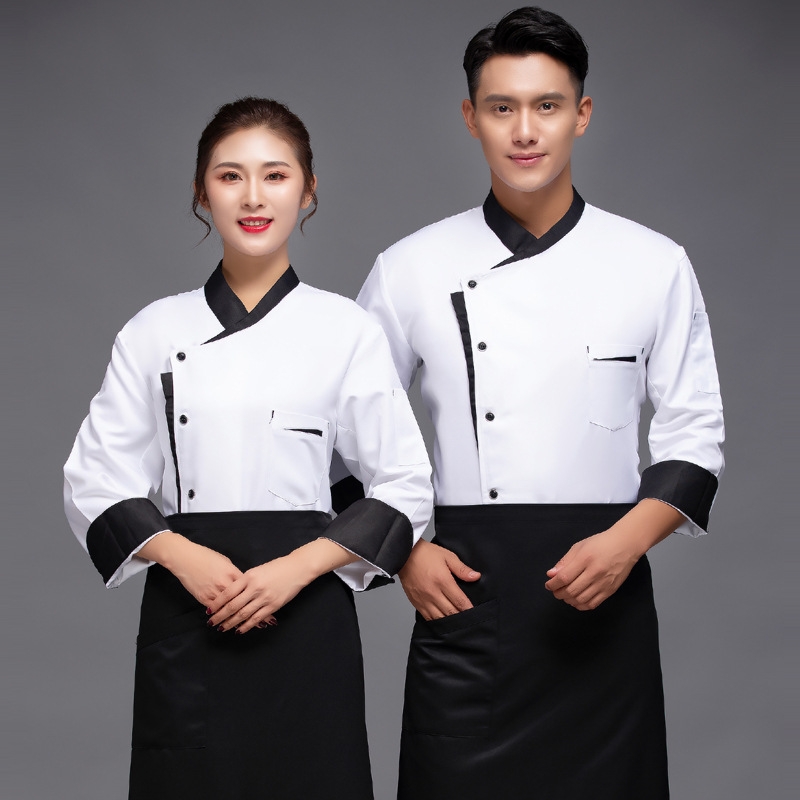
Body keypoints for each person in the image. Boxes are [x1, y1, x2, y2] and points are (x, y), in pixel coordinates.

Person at [356, 7, 724, 799]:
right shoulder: (410, 268)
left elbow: (695, 440)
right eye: (502, 108)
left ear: (581, 115)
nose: (525, 131)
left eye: (547, 106)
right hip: (468, 604)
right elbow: (338, 433)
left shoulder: (653, 263)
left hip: (604, 603)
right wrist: (405, 551)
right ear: (471, 118)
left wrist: (625, 543)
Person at [63, 96, 433, 800]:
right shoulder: (152, 331)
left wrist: (294, 570)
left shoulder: (345, 330)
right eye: (230, 176)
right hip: (189, 611)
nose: (254, 197)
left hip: (308, 614)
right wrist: (186, 558)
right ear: (202, 192)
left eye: (276, 175)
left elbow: (404, 483)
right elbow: (95, 479)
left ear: (308, 191)